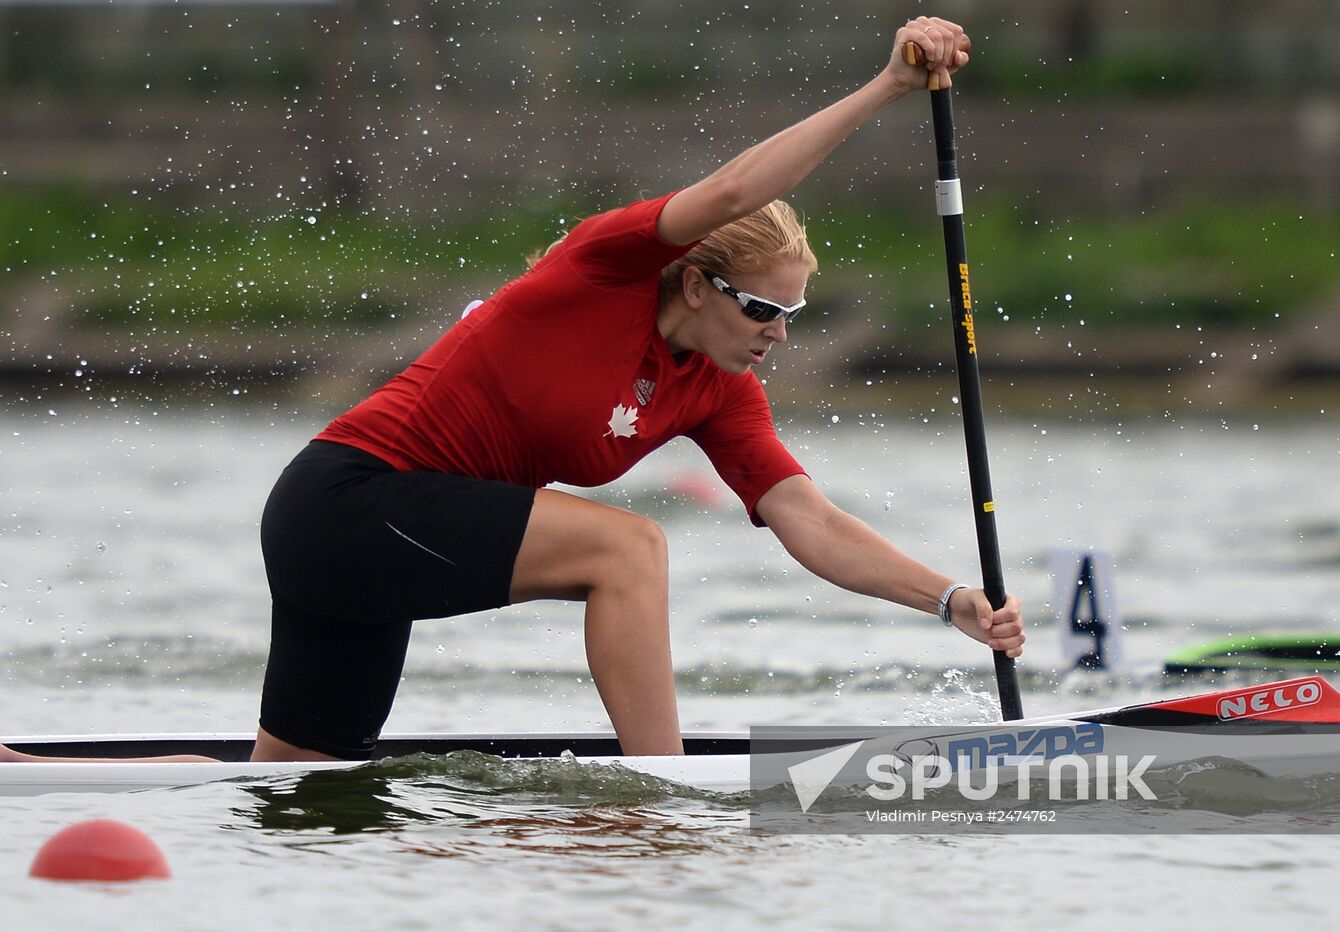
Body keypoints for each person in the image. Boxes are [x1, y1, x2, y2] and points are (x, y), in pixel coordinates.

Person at [1, 15, 1023, 767]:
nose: (777, 335)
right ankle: (656, 788)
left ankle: (23, 776)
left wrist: (949, 600)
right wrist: (885, 89)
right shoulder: (600, 268)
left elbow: (808, 519)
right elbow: (726, 193)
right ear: (698, 281)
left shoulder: (714, 390)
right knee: (630, 543)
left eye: (793, 317)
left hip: (375, 540)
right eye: (762, 310)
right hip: (343, 501)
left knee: (295, 781)